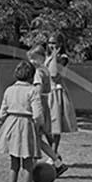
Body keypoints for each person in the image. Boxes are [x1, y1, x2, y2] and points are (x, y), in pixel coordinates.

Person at [0, 60, 44, 182]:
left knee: (13, 164)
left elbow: (2, 112)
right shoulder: (32, 91)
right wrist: (40, 126)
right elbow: (38, 114)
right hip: (26, 125)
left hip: (11, 125)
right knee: (27, 164)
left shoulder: (9, 90)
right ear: (31, 76)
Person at [27, 44, 67, 174]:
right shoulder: (45, 69)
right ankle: (57, 161)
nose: (32, 61)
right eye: (31, 59)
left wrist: (31, 102)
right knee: (38, 138)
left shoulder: (39, 72)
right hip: (45, 105)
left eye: (35, 58)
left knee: (34, 138)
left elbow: (37, 91)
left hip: (39, 107)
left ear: (42, 57)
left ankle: (34, 167)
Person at [44, 36, 78, 163]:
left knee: (56, 126)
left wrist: (54, 55)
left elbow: (53, 74)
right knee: (45, 126)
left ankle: (53, 153)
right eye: (50, 42)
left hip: (56, 92)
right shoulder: (46, 57)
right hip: (46, 92)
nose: (51, 45)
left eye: (54, 43)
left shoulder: (63, 58)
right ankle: (54, 153)